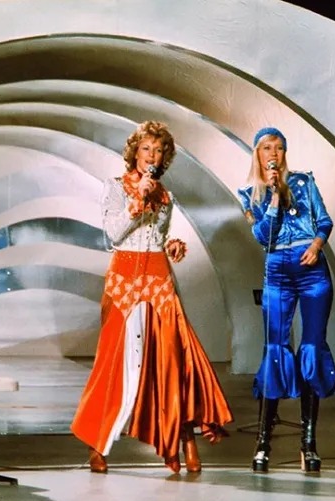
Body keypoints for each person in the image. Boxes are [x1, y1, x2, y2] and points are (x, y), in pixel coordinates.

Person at [71, 120, 233, 474]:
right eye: (146, 149)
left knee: (173, 361)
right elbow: (114, 233)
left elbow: (155, 237)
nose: (152, 156)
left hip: (159, 281)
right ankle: (97, 443)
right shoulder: (115, 187)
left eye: (159, 151)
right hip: (124, 282)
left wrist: (171, 244)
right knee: (116, 365)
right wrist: (138, 199)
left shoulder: (167, 197)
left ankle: (184, 440)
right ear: (134, 153)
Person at [238, 127, 335, 474]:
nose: (274, 153)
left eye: (279, 147)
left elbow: (324, 220)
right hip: (278, 269)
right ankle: (263, 443)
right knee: (275, 348)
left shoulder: (305, 182)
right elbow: (263, 236)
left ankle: (308, 444)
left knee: (311, 347)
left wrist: (316, 245)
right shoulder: (249, 195)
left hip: (311, 268)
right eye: (267, 147)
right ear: (257, 153)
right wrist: (274, 197)